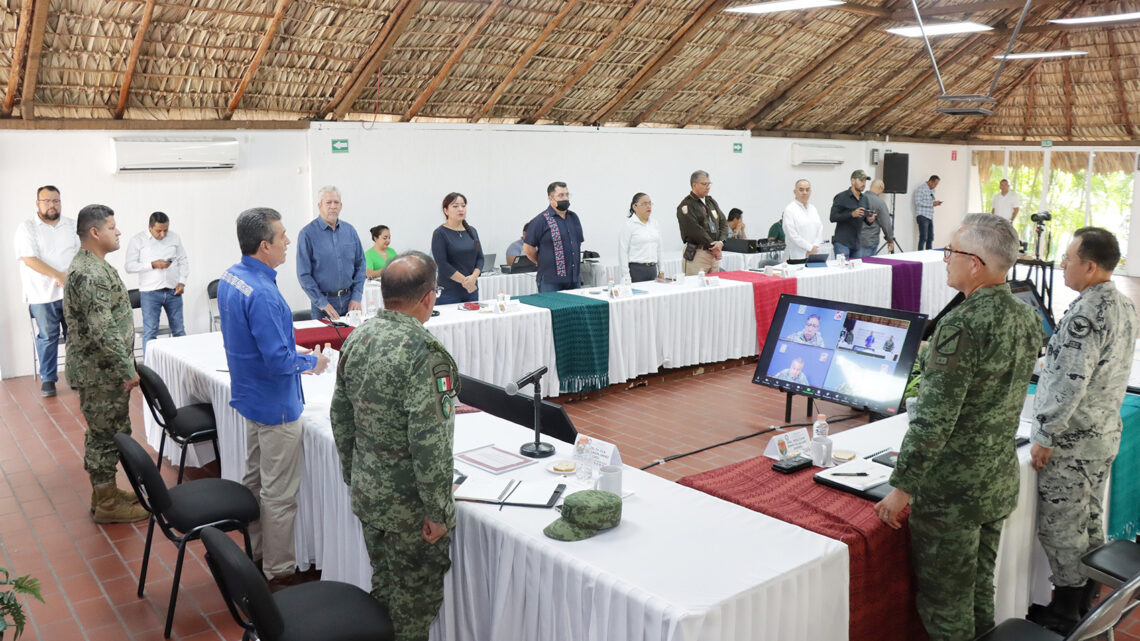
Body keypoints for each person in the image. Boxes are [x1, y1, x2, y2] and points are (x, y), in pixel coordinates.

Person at [874, 214, 1043, 641]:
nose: (945, 260)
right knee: (978, 590)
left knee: (946, 605)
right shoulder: (1025, 316)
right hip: (995, 479)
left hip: (952, 491)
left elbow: (934, 418)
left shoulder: (962, 323)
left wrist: (901, 488)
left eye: (951, 252)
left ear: (976, 263)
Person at [331, 251, 458, 641]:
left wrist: (356, 475)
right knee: (413, 610)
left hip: (371, 495)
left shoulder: (358, 337)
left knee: (384, 590)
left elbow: (341, 417)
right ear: (429, 297)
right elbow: (430, 444)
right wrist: (439, 511)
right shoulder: (425, 354)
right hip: (409, 511)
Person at [1025, 228, 1139, 634]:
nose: (1062, 265)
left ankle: (1064, 612)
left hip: (1073, 442)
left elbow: (1069, 380)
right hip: (1102, 431)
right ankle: (1087, 604)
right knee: (1089, 520)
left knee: (1061, 527)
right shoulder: (1124, 304)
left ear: (1090, 266)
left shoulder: (1087, 312)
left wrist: (1045, 435)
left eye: (1068, 259)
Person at [218, 207, 330, 590]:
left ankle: (255, 551)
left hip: (250, 396)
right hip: (276, 404)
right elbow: (279, 359)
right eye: (282, 236)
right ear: (264, 245)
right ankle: (279, 571)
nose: (287, 243)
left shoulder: (232, 277)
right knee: (279, 493)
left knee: (254, 480)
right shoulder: (264, 293)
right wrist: (312, 361)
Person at [62, 204, 148, 523]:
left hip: (103, 369)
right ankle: (108, 503)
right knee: (106, 434)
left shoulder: (94, 265)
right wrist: (127, 369)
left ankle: (105, 493)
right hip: (101, 372)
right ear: (95, 232)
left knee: (109, 431)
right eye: (113, 227)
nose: (118, 232)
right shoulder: (90, 272)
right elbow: (103, 328)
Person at [15, 185, 79, 397]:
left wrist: (70, 275)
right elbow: (29, 258)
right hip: (41, 295)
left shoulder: (71, 225)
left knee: (76, 335)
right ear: (38, 203)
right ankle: (48, 380)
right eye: (47, 201)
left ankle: (76, 376)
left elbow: (82, 254)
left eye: (56, 201)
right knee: (48, 337)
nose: (52, 205)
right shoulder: (27, 228)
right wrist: (58, 275)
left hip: (71, 292)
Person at [296, 185, 365, 320]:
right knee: (326, 341)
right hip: (323, 306)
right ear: (319, 205)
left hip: (350, 303)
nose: (333, 206)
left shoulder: (350, 231)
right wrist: (322, 303)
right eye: (328, 202)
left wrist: (357, 296)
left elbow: (361, 264)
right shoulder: (307, 234)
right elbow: (304, 274)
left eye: (336, 202)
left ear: (341, 206)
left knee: (351, 340)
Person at [125, 211, 189, 355]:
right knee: (150, 332)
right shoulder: (137, 240)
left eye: (165, 230)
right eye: (158, 231)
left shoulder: (174, 237)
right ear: (150, 227)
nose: (163, 234)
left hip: (174, 291)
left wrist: (182, 282)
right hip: (150, 293)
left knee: (179, 330)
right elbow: (129, 266)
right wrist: (152, 264)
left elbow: (183, 260)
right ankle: (149, 370)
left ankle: (185, 364)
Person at [524, 181, 585, 292]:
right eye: (561, 195)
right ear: (551, 198)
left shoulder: (574, 218)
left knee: (575, 309)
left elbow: (577, 243)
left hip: (573, 280)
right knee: (552, 309)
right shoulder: (540, 220)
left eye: (567, 195)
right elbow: (528, 248)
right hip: (550, 281)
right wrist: (541, 261)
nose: (565, 198)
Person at [431, 192, 484, 304]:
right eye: (455, 206)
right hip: (449, 292)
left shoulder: (472, 231)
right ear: (446, 210)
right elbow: (443, 265)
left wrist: (473, 278)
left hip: (471, 290)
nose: (460, 209)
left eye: (463, 206)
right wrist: (465, 281)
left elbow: (480, 258)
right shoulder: (440, 233)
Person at [676, 170, 727, 275]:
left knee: (714, 288)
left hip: (713, 255)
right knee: (696, 288)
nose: (708, 187)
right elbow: (695, 231)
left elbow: (723, 222)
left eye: (709, 184)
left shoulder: (710, 202)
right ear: (694, 185)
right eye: (704, 184)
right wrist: (714, 247)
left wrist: (721, 242)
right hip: (698, 254)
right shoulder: (686, 205)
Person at [618, 192, 664, 283]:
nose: (648, 206)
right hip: (636, 271)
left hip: (652, 270)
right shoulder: (629, 225)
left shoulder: (655, 224)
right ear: (634, 207)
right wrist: (626, 276)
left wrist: (661, 270)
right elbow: (623, 252)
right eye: (644, 204)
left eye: (650, 203)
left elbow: (659, 249)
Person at [830, 169, 873, 259]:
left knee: (857, 272)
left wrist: (870, 219)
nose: (864, 183)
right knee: (842, 271)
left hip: (857, 244)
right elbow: (833, 217)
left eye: (865, 181)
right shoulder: (841, 197)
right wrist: (851, 214)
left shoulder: (865, 199)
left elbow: (866, 219)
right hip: (842, 243)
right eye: (861, 180)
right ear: (853, 181)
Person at [782, 179, 822, 263]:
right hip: (796, 256)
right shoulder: (790, 209)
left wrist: (815, 246)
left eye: (807, 190)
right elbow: (792, 235)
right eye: (801, 190)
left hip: (813, 254)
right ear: (795, 191)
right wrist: (809, 248)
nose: (805, 192)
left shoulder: (813, 208)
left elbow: (820, 228)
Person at [861, 179, 895, 255]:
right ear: (880, 188)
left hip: (856, 240)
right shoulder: (880, 203)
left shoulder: (860, 198)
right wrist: (890, 240)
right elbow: (886, 224)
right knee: (869, 265)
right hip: (870, 240)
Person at [914, 175, 942, 251]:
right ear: (930, 181)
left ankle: (929, 256)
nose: (935, 186)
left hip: (930, 216)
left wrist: (935, 203)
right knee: (923, 237)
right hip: (922, 215)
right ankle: (919, 255)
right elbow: (918, 202)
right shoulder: (921, 189)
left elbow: (930, 201)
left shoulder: (932, 191)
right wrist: (932, 204)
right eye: (935, 184)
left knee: (930, 238)